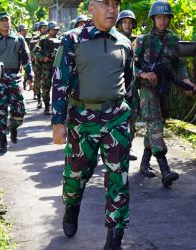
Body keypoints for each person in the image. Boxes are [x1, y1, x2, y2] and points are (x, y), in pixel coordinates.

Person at [52, 0, 133, 248]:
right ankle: (72, 206)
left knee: (118, 176)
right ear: (91, 7)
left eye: (115, 4)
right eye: (105, 4)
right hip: (82, 118)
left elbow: (129, 82)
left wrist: (130, 118)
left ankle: (115, 237)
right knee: (76, 174)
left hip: (116, 116)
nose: (111, 9)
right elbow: (60, 80)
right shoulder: (73, 39)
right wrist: (58, 121)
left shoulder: (125, 42)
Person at [133, 0, 196, 186]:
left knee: (156, 127)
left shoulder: (173, 40)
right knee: (155, 123)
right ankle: (165, 168)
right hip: (147, 89)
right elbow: (129, 65)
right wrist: (143, 73)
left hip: (164, 88)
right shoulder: (143, 40)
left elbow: (179, 64)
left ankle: (144, 164)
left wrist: (185, 81)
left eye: (165, 17)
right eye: (159, 17)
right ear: (153, 19)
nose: (162, 21)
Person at [0, 12, 34, 153]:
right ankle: (3, 141)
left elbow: (26, 58)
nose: (5, 23)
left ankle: (13, 127)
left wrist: (30, 77)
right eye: (2, 21)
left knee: (20, 110)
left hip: (15, 78)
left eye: (7, 20)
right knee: (0, 112)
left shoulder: (18, 39)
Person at [116, 9, 138, 161]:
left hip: (133, 86)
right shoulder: (114, 39)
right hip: (117, 86)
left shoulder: (138, 41)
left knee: (132, 118)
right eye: (124, 22)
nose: (127, 25)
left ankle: (127, 147)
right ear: (119, 24)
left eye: (130, 23)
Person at [35, 21, 60, 115]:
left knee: (59, 87)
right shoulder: (42, 41)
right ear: (49, 30)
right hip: (46, 67)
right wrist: (43, 57)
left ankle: (57, 107)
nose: (54, 31)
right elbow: (34, 52)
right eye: (52, 30)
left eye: (55, 30)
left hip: (58, 66)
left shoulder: (61, 39)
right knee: (46, 86)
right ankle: (46, 106)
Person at [31, 20, 48, 109]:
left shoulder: (50, 37)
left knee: (46, 83)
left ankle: (46, 101)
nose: (44, 29)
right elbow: (32, 52)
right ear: (39, 29)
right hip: (37, 63)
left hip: (47, 64)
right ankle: (39, 99)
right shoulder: (35, 38)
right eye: (43, 28)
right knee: (37, 81)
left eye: (45, 27)